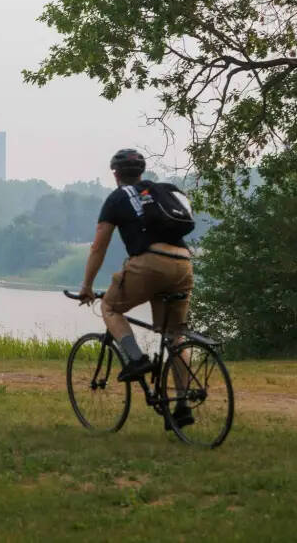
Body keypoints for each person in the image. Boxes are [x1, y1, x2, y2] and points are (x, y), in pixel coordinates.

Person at [77, 148, 195, 429]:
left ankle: (136, 359)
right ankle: (182, 405)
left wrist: (87, 286)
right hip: (183, 263)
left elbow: (98, 247)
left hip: (150, 262)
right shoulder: (160, 192)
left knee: (109, 307)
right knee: (175, 336)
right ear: (141, 173)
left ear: (115, 174)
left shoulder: (117, 198)